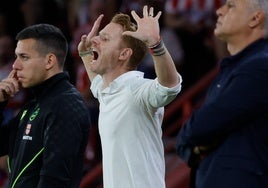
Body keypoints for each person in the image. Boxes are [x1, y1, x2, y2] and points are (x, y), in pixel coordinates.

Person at [78, 5, 182, 188]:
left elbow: (170, 86)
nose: (94, 40)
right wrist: (85, 54)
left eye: (104, 38)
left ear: (124, 54)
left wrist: (156, 45)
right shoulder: (106, 90)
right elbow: (96, 85)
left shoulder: (137, 90)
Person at [176, 0, 268, 188]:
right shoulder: (233, 69)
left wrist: (190, 138)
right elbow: (190, 140)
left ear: (255, 18)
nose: (219, 11)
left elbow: (200, 126)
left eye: (231, 5)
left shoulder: (260, 67)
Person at [0, 24, 91, 188]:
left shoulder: (66, 105)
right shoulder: (34, 105)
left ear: (49, 61)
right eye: (16, 57)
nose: (15, 65)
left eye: (24, 57)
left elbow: (54, 180)